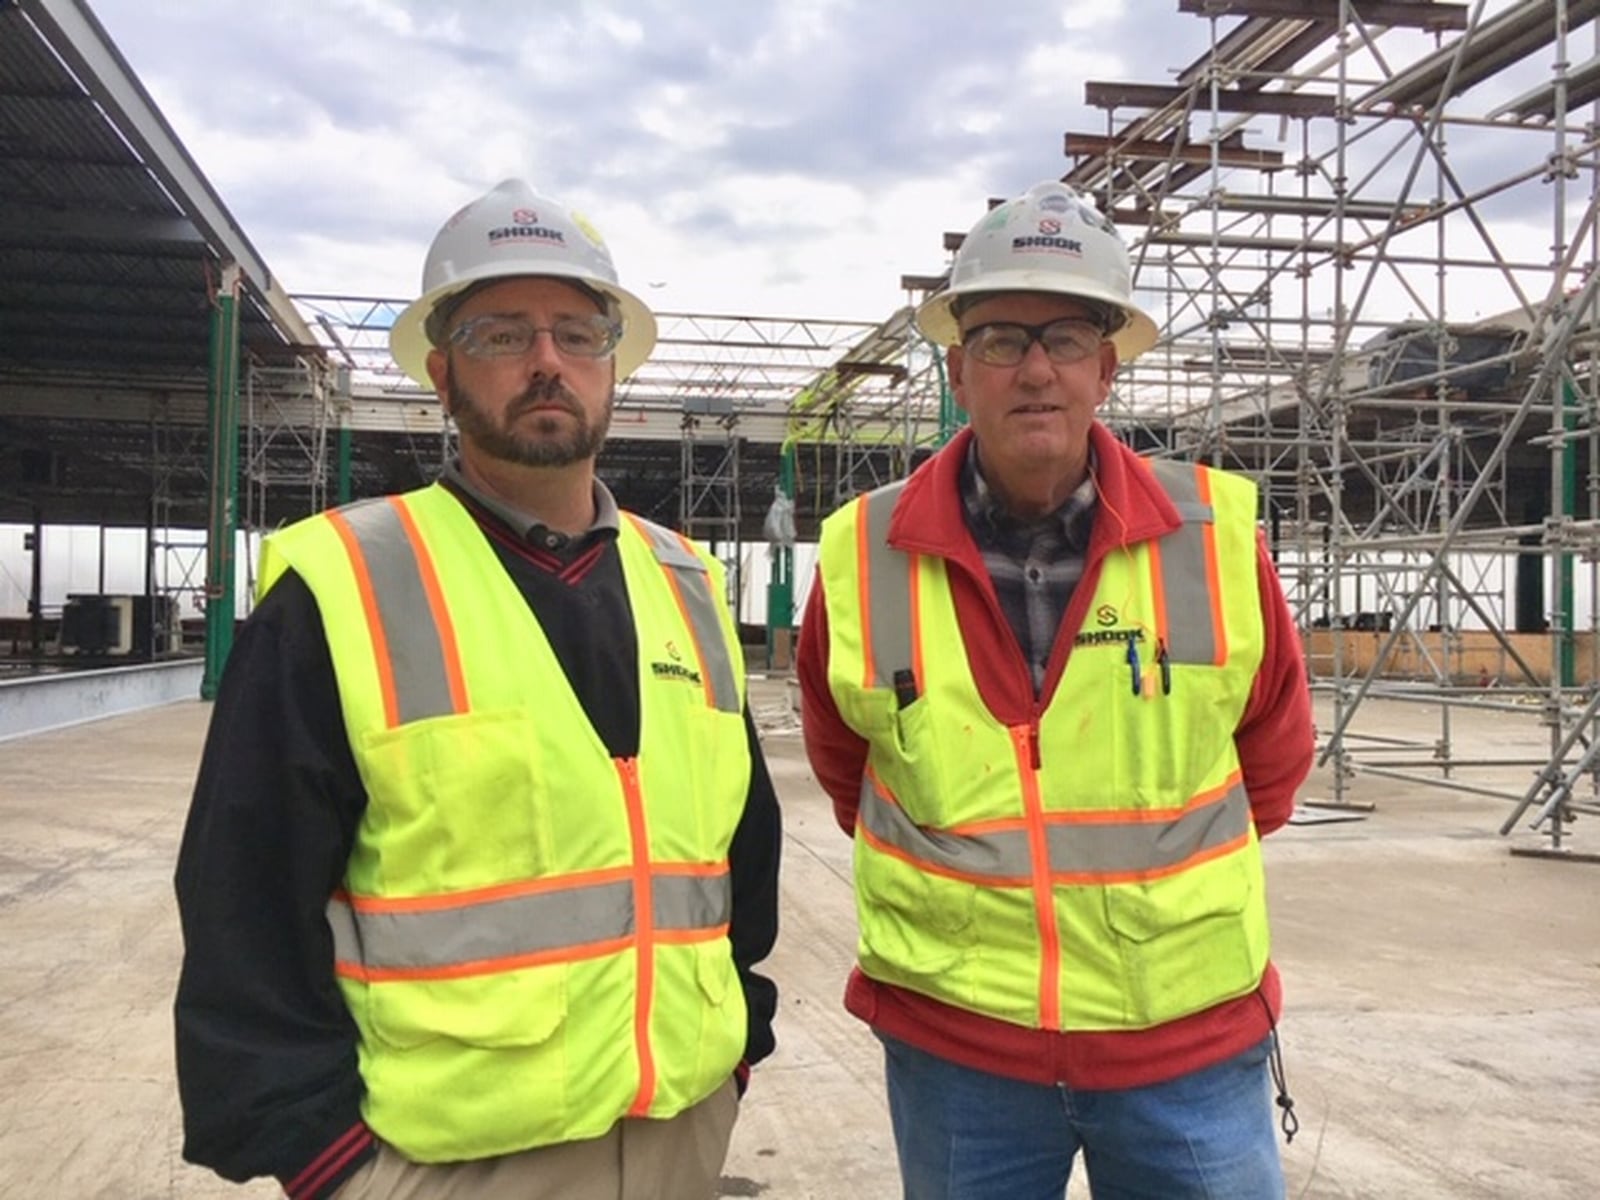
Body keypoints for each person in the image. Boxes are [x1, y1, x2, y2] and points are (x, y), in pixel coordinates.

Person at [174, 179, 781, 1200]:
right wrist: (325, 1161)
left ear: (614, 371)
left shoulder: (685, 582)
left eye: (578, 334)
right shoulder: (347, 584)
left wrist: (737, 1050)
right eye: (503, 333)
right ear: (443, 374)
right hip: (448, 1163)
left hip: (681, 1134)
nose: (547, 361)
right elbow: (243, 902)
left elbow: (741, 863)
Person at [797, 180, 1314, 1200]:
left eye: (1066, 338)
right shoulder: (864, 553)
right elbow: (844, 767)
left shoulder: (1212, 538)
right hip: (961, 1056)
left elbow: (1273, 765)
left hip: (1185, 1049)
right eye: (999, 339)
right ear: (957, 368)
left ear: (1107, 367)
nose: (1034, 368)